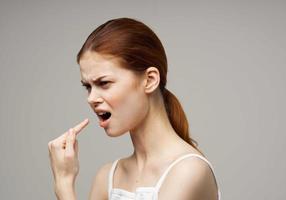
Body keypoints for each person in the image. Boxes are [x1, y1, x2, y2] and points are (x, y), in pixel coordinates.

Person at [48, 17, 221, 200]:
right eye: (88, 87)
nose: (91, 99)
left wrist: (63, 184)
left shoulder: (188, 171)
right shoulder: (107, 177)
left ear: (150, 80)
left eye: (104, 83)